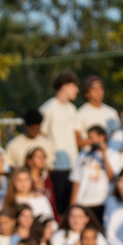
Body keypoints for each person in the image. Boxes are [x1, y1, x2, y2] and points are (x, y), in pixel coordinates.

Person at [40, 70, 82, 212]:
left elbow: (77, 136)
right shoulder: (48, 108)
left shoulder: (72, 109)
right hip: (56, 166)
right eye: (74, 86)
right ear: (64, 86)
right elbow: (41, 135)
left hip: (73, 164)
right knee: (57, 206)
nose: (77, 89)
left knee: (71, 205)